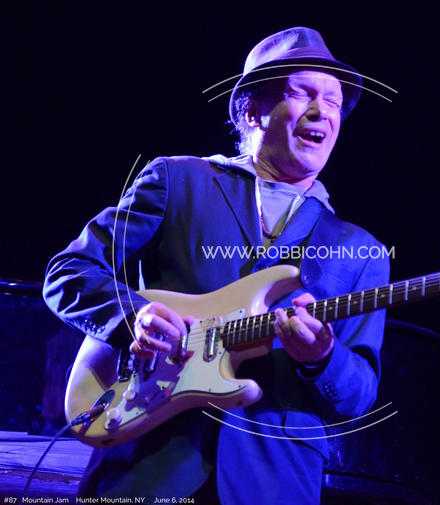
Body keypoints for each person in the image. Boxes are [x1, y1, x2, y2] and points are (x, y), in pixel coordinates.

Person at [43, 27, 390, 503]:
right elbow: (69, 271)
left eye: (333, 101)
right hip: (147, 467)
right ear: (251, 110)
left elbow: (358, 397)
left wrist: (322, 357)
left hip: (274, 487)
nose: (322, 111)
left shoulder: (361, 249)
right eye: (301, 93)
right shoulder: (177, 180)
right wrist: (133, 318)